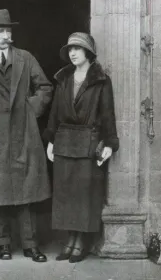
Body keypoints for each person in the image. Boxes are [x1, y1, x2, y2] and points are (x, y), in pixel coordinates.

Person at [0, 9, 53, 262]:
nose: (6, 36)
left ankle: (30, 244)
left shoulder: (26, 58)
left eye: (9, 31)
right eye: (1, 31)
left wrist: (30, 109)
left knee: (26, 192)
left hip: (22, 132)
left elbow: (45, 87)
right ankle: (3, 244)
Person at [44, 32, 119, 263]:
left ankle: (81, 243)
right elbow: (55, 112)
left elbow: (107, 114)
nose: (73, 53)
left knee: (84, 196)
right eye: (70, 49)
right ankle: (70, 241)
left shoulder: (101, 80)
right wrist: (50, 139)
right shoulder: (63, 78)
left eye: (77, 48)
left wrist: (109, 143)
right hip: (65, 142)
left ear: (88, 52)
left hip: (88, 143)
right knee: (66, 195)